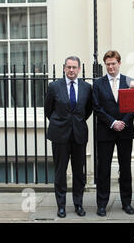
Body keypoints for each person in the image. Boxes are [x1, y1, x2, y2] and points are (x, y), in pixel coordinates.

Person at [44, 56, 93, 218]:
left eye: (74, 67)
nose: (71, 70)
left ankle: (78, 204)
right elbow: (48, 110)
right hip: (59, 135)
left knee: (79, 172)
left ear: (79, 69)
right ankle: (61, 206)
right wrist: (61, 122)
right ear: (64, 68)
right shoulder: (54, 86)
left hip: (79, 135)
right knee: (60, 172)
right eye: (68, 67)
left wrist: (75, 122)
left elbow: (87, 111)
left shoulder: (87, 88)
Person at [93, 50, 134, 217]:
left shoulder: (130, 81)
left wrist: (123, 122)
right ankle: (102, 204)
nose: (111, 67)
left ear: (119, 63)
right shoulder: (98, 84)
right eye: (108, 64)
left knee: (125, 168)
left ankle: (127, 203)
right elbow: (97, 108)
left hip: (125, 131)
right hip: (106, 131)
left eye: (113, 63)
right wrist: (113, 123)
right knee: (103, 169)